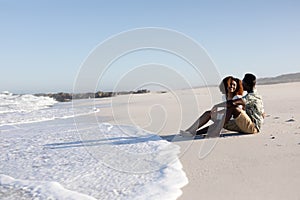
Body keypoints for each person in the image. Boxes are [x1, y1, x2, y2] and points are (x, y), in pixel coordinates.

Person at [184, 73, 264, 137]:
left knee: (233, 108)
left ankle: (215, 133)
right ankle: (192, 132)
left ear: (247, 84)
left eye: (243, 82)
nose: (241, 84)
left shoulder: (252, 96)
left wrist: (217, 106)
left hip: (252, 127)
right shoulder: (251, 95)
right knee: (216, 118)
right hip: (241, 123)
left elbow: (233, 103)